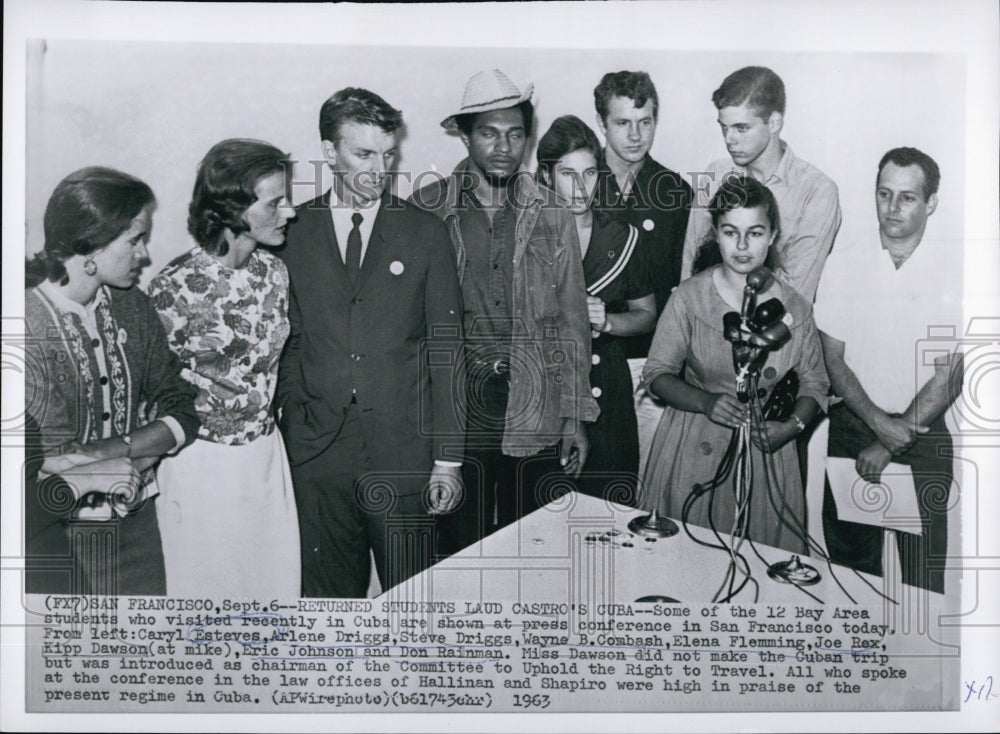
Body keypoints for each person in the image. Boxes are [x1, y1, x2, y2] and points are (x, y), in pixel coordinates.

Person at [277, 88, 465, 598]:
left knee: (412, 602)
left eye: (387, 155)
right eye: (363, 154)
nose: (378, 170)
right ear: (327, 151)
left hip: (403, 452)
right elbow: (286, 343)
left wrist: (447, 459)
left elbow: (447, 350)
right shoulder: (292, 232)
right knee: (327, 608)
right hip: (318, 453)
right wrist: (296, 417)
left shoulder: (424, 233)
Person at [410, 69, 598, 554]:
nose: (503, 147)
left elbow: (572, 320)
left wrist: (574, 416)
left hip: (532, 407)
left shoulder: (553, 213)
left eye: (515, 134)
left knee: (530, 550)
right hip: (456, 413)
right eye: (489, 133)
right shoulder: (426, 210)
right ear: (465, 135)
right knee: (455, 553)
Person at [24, 166, 199, 595]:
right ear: (92, 244)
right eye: (135, 239)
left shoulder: (132, 306)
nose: (145, 255)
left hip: (138, 526)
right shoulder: (24, 323)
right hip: (59, 538)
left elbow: (181, 407)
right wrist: (145, 442)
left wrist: (119, 453)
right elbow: (44, 453)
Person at [641, 176, 829, 553]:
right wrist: (705, 402)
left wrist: (790, 428)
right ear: (715, 233)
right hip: (691, 450)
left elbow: (816, 387)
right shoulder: (690, 298)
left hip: (766, 459)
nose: (742, 246)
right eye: (731, 232)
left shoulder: (796, 308)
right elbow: (656, 374)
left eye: (755, 232)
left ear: (773, 235)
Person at [148, 139, 301, 599]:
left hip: (265, 459)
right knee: (206, 603)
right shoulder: (173, 288)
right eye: (275, 202)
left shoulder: (274, 273)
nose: (289, 212)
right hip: (201, 469)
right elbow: (156, 394)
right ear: (234, 208)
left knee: (271, 596)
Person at [814, 147, 963, 594]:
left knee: (921, 584)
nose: (892, 208)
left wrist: (898, 433)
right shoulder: (845, 261)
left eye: (907, 197)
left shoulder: (952, 272)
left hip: (922, 436)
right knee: (851, 575)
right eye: (884, 194)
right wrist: (880, 428)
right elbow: (832, 359)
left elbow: (950, 373)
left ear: (931, 202)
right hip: (854, 428)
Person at [537, 115, 655, 504]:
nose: (579, 186)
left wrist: (608, 321)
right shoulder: (528, 239)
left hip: (608, 391)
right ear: (546, 176)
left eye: (589, 173)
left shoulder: (623, 238)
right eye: (567, 173)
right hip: (546, 389)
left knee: (609, 510)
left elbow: (646, 315)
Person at [591, 70, 693, 480]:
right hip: (593, 361)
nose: (635, 135)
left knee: (649, 481)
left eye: (645, 122)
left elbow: (686, 286)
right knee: (596, 481)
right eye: (622, 123)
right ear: (601, 122)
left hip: (655, 364)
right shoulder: (578, 183)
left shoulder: (675, 192)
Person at [680, 66, 841, 303]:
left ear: (774, 123)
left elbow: (794, 294)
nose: (729, 139)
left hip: (773, 329)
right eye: (724, 127)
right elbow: (690, 266)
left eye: (741, 128)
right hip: (706, 322)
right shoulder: (715, 174)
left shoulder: (816, 191)